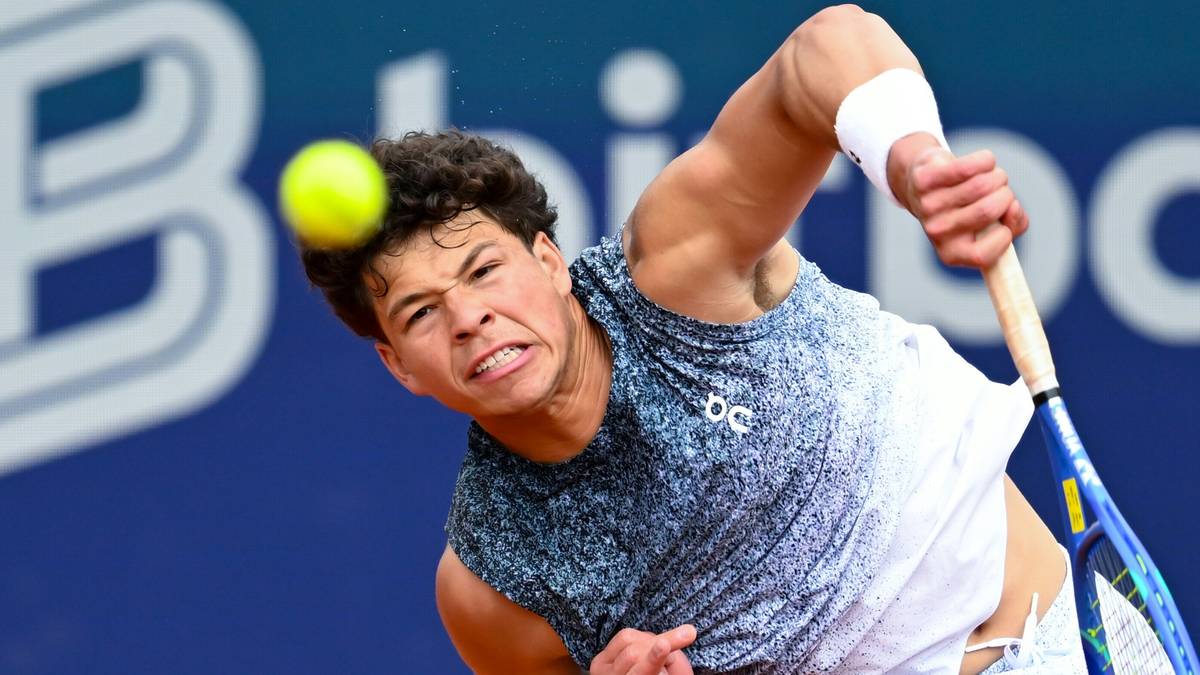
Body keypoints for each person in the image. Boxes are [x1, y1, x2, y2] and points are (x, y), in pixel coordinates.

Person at [301, 5, 1087, 674]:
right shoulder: (492, 582)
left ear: (548, 262)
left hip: (1073, 641)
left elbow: (827, 45)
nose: (469, 317)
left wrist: (912, 160)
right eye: (421, 312)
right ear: (399, 366)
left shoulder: (677, 267)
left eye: (483, 270)